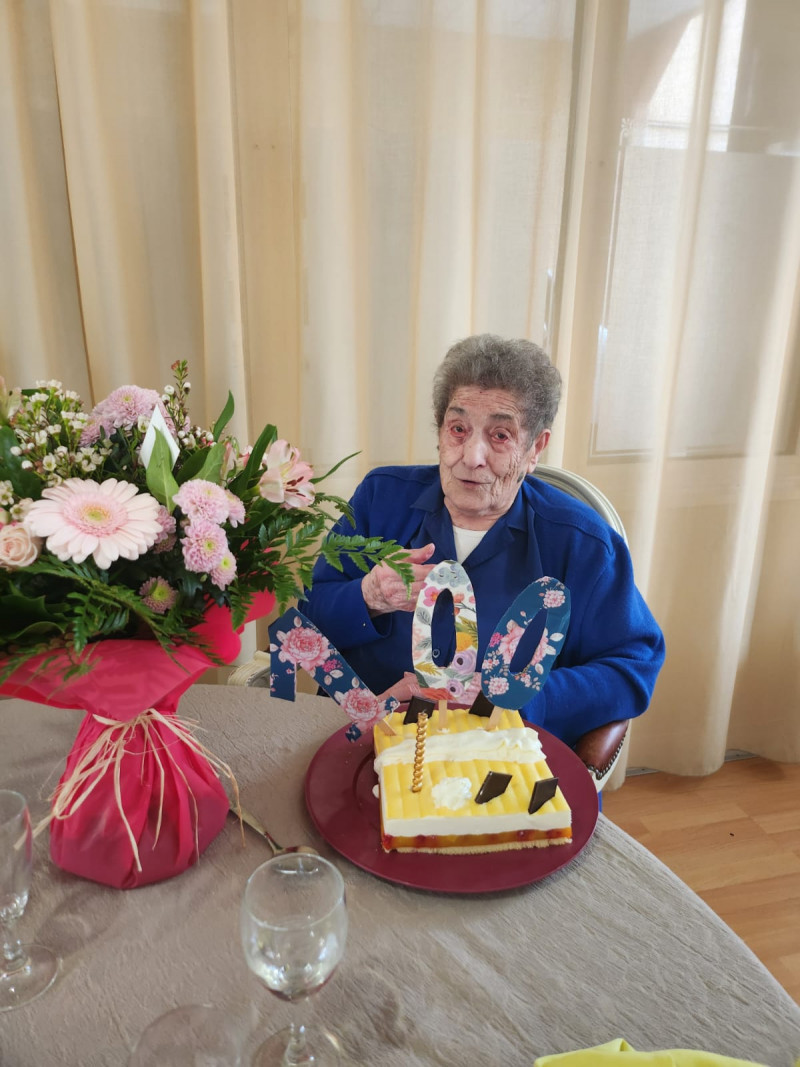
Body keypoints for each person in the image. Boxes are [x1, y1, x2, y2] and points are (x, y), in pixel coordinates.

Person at [302, 334, 665, 749]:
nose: (471, 456)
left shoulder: (581, 543)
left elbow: (631, 668)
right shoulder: (380, 499)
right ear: (440, 433)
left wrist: (512, 696)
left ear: (535, 449)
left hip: (502, 757)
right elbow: (309, 622)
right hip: (366, 743)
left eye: (500, 436)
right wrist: (367, 596)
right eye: (458, 429)